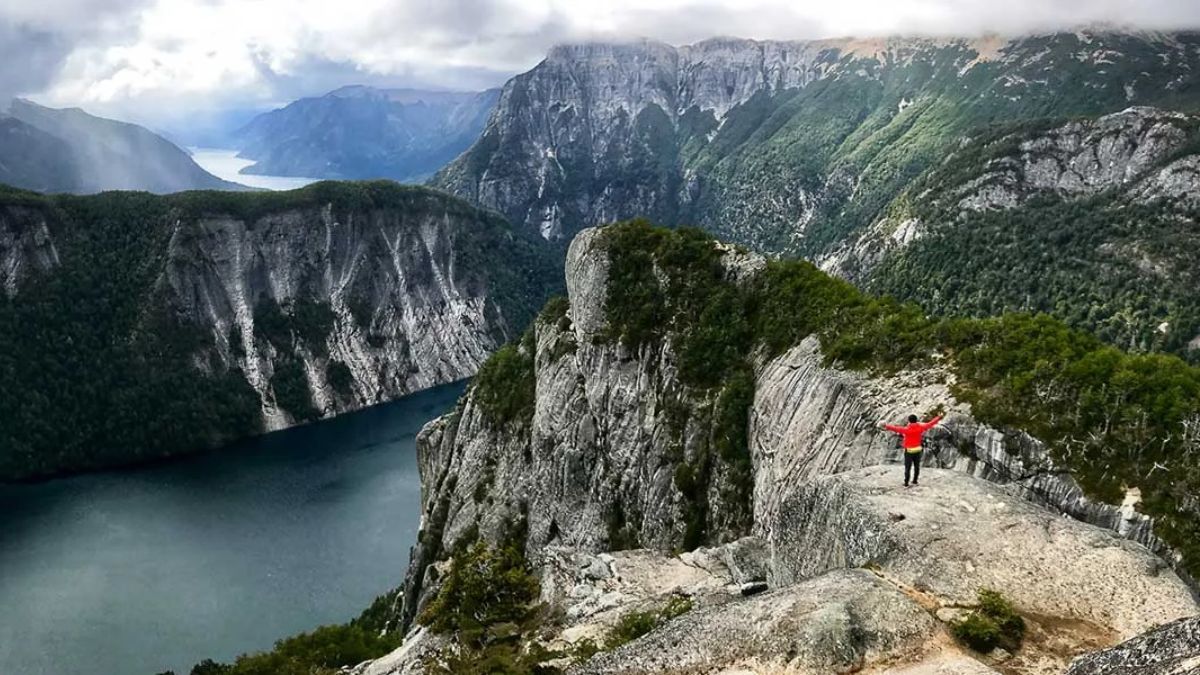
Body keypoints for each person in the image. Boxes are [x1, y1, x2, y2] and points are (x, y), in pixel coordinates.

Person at [882, 413, 943, 487]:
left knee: (908, 467)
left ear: (909, 421)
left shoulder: (907, 429)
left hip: (909, 451)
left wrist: (886, 426)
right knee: (916, 466)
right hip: (918, 450)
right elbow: (930, 424)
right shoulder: (921, 427)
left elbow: (895, 428)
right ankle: (915, 480)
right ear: (916, 420)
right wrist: (939, 417)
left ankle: (906, 482)